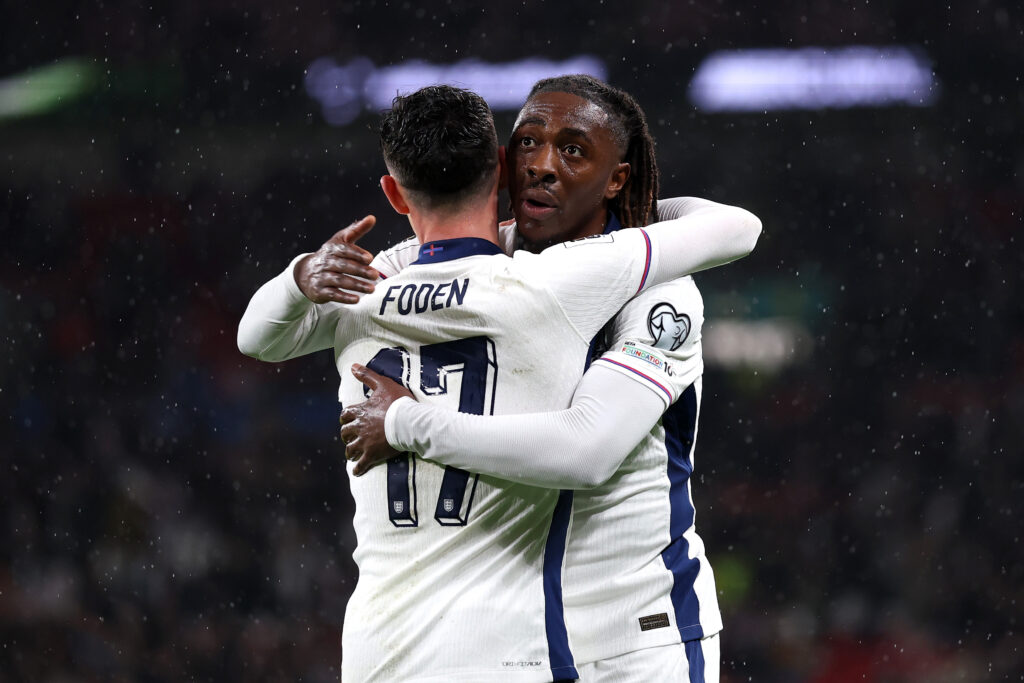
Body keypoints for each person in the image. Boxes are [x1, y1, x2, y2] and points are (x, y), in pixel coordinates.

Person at [237, 83, 760, 681]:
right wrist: (302, 275)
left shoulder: (660, 292)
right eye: (530, 143)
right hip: (534, 632)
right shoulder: (485, 266)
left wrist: (409, 423)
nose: (543, 165)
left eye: (572, 152)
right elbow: (265, 335)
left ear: (616, 179)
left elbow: (585, 449)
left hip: (640, 630)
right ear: (503, 166)